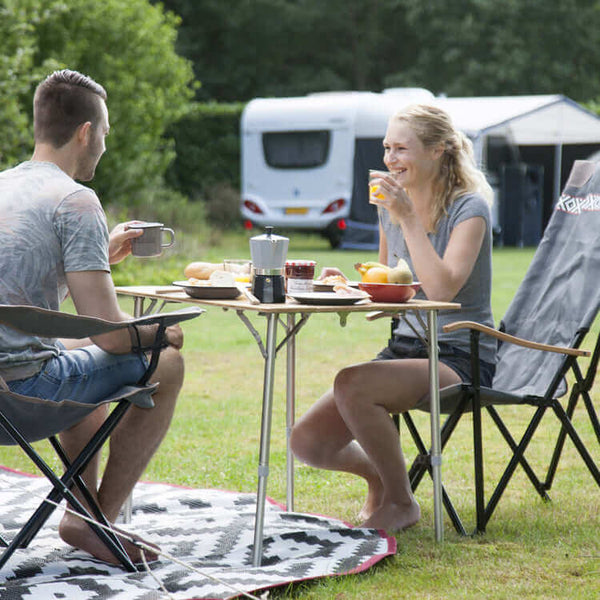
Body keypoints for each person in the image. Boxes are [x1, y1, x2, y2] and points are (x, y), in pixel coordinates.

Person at [0, 69, 185, 563]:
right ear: (85, 132)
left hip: (7, 380)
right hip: (19, 396)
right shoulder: (76, 201)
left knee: (76, 357)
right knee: (164, 362)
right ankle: (92, 522)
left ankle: (83, 513)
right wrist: (164, 330)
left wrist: (99, 251)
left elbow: (19, 296)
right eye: (104, 132)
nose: (104, 144)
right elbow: (111, 336)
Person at [290, 104, 496, 532]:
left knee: (352, 382)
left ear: (438, 150)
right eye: (387, 148)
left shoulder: (469, 209)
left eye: (401, 148)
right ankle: (379, 478)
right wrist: (346, 283)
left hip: (457, 354)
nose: (390, 159)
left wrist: (406, 218)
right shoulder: (389, 207)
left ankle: (402, 503)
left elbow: (441, 290)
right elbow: (390, 286)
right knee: (307, 441)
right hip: (406, 346)